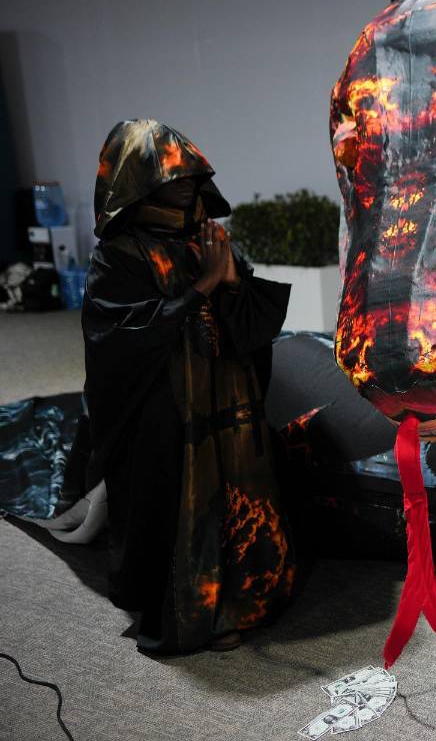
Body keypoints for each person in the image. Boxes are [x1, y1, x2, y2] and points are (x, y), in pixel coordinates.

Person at [82, 119, 296, 653]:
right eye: (171, 177)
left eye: (190, 176)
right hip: (170, 412)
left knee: (241, 496)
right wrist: (201, 286)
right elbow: (120, 342)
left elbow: (249, 323)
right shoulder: (120, 254)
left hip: (227, 402)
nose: (186, 185)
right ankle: (196, 613)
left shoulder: (208, 236)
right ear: (136, 182)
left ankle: (246, 598)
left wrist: (230, 282)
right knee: (179, 503)